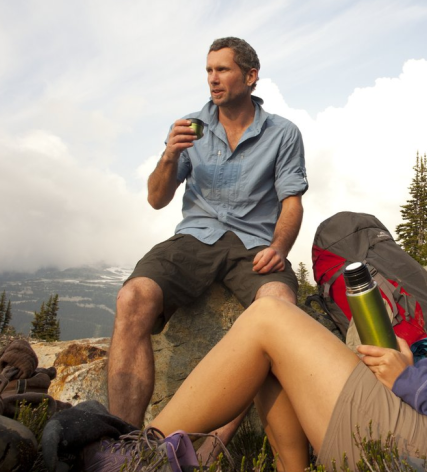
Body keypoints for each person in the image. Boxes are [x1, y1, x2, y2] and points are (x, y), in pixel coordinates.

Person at [92, 140, 427, 470]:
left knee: (272, 316)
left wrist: (413, 382)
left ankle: (137, 458)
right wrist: (414, 362)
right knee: (277, 355)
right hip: (417, 414)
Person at [107, 37, 308, 440]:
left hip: (253, 243)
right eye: (209, 71)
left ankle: (214, 446)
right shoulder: (188, 127)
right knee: (133, 297)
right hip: (194, 238)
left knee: (279, 305)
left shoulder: (283, 133)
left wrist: (279, 249)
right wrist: (168, 156)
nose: (213, 80)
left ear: (251, 77)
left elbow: (291, 203)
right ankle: (124, 441)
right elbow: (156, 199)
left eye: (223, 70)